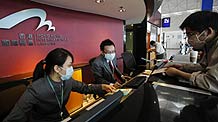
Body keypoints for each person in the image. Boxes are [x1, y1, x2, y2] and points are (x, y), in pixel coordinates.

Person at [3, 48, 115, 122]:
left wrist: (102, 87)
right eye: (69, 65)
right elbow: (14, 118)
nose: (72, 69)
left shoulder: (67, 80)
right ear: (57, 68)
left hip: (63, 117)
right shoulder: (35, 89)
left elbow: (85, 88)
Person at [165, 11, 218, 93]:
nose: (188, 39)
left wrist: (178, 73)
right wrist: (182, 67)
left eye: (191, 34)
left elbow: (210, 82)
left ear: (208, 32)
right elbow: (204, 66)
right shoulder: (209, 45)